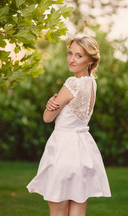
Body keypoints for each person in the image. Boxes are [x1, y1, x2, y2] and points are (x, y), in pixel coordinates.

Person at [26, 36, 111, 216]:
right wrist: (55, 102)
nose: (71, 59)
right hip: (84, 149)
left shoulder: (72, 83)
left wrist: (50, 105)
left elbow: (47, 118)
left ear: (90, 60)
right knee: (78, 211)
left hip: (64, 150)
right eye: (70, 53)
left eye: (79, 56)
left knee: (58, 211)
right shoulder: (92, 83)